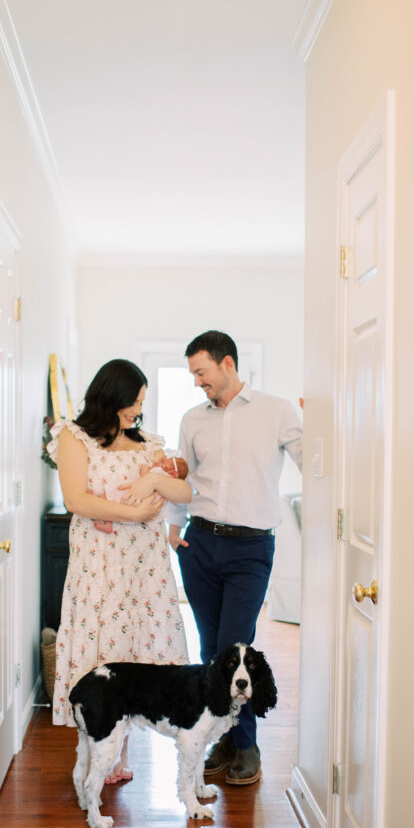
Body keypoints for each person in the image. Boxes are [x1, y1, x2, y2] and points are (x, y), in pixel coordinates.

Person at [167, 331, 302, 786]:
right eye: (193, 374)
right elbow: (181, 476)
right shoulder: (192, 420)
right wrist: (172, 524)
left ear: (227, 364)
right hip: (199, 544)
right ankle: (223, 735)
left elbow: (314, 461)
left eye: (201, 372)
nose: (196, 382)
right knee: (211, 651)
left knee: (235, 650)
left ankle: (245, 745)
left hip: (250, 548)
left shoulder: (277, 410)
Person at [47, 358, 192, 782]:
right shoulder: (75, 438)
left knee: (134, 652)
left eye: (142, 404)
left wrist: (153, 483)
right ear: (111, 396)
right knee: (101, 652)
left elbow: (184, 490)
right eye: (133, 402)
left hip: (144, 569)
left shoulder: (147, 443)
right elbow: (77, 500)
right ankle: (95, 753)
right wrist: (134, 514)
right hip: (99, 565)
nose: (137, 411)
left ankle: (121, 755)